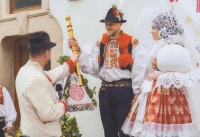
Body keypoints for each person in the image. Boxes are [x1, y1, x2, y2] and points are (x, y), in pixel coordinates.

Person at [68, 5, 146, 137]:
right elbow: (92, 65)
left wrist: (137, 93)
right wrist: (79, 49)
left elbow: (140, 68)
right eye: (106, 24)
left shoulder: (131, 43)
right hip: (105, 91)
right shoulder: (101, 43)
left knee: (125, 131)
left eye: (111, 24)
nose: (108, 27)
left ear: (120, 24)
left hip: (124, 91)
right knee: (109, 131)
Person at [122, 11, 200, 137]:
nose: (151, 31)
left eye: (154, 28)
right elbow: (145, 71)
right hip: (153, 94)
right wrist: (138, 92)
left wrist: (156, 76)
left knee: (168, 130)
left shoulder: (172, 48)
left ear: (163, 29)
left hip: (170, 96)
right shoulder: (156, 46)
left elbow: (182, 75)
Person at [15, 32, 78, 137]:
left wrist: (69, 64)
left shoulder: (24, 70)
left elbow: (49, 76)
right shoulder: (37, 78)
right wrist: (63, 105)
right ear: (46, 53)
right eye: (50, 50)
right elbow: (48, 114)